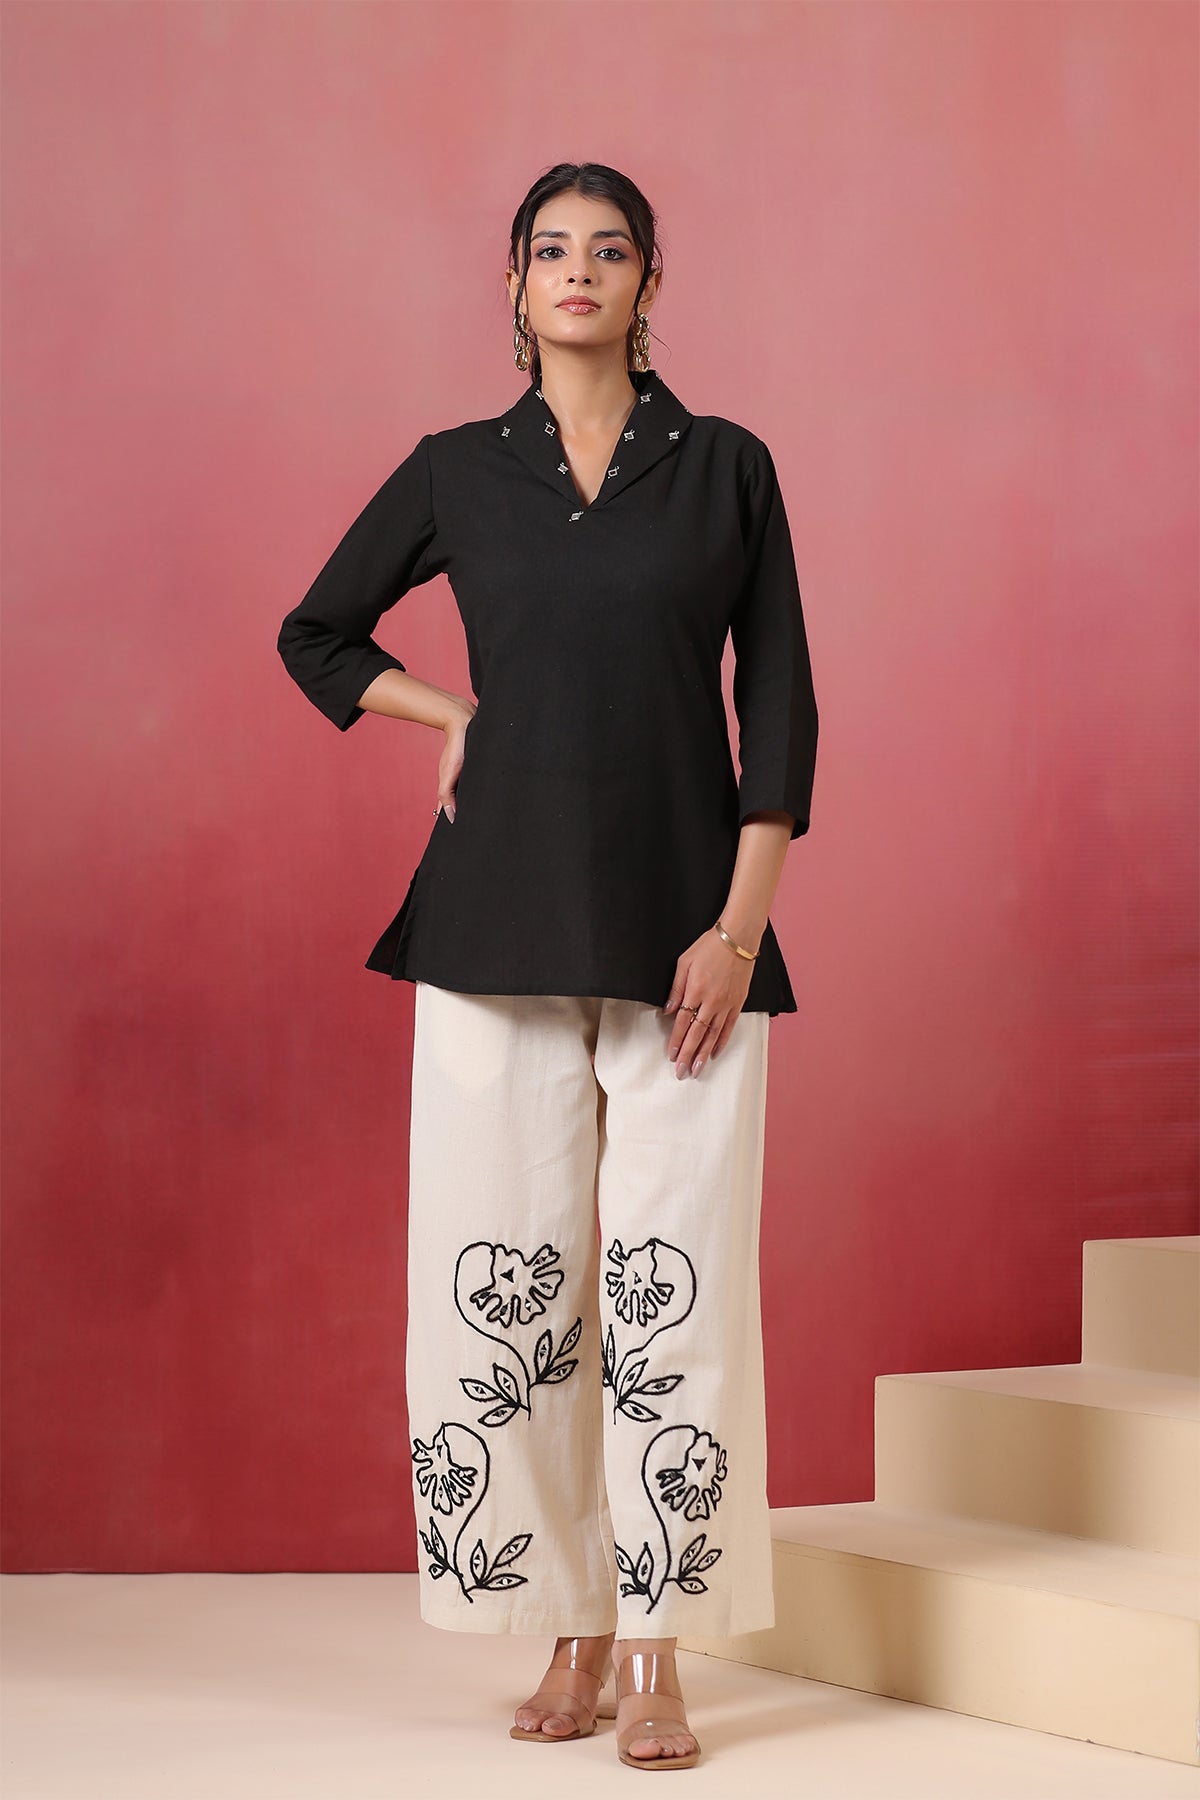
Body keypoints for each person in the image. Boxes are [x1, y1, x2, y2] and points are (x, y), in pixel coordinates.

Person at [277, 161, 818, 1772]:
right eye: (550, 249)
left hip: (686, 938)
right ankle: (569, 1621)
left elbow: (779, 708)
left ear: (651, 282)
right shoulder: (461, 468)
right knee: (504, 1288)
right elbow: (318, 632)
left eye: (611, 249)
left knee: (674, 1294)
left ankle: (659, 1641)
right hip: (492, 925)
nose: (579, 270)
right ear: (512, 284)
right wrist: (451, 715)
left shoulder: (725, 469)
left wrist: (736, 929)